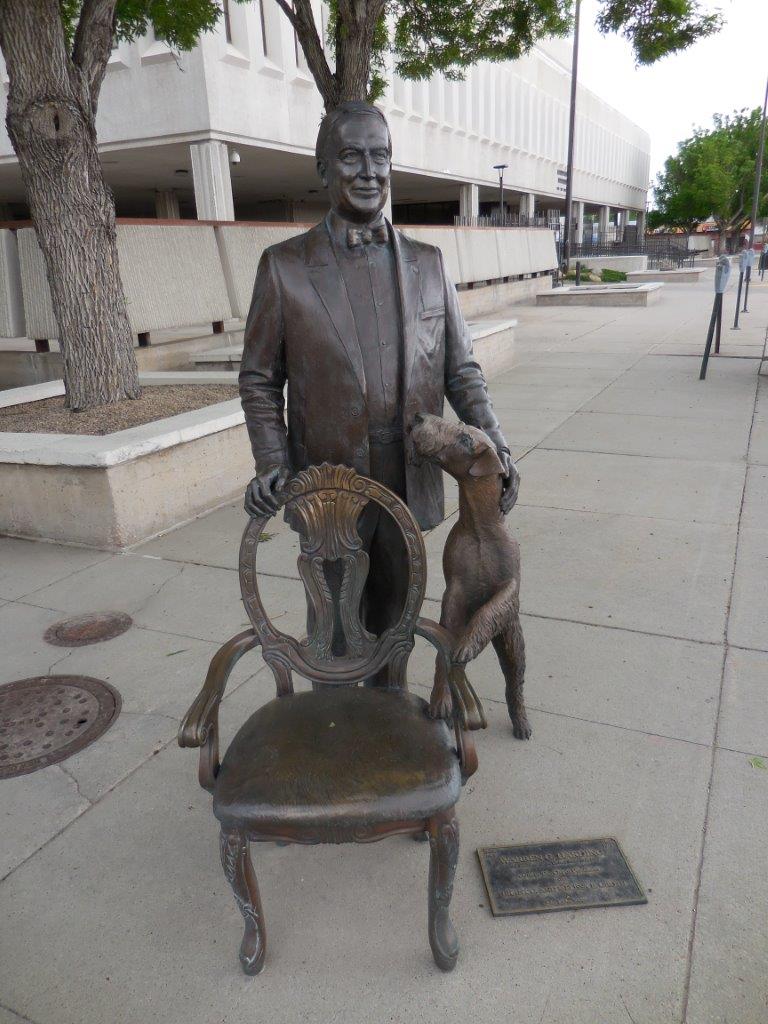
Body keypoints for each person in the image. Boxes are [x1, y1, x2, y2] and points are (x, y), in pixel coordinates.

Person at [239, 101, 518, 676]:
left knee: (398, 614)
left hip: (407, 475)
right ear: (323, 169)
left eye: (380, 156)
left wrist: (495, 444)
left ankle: (392, 716)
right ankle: (336, 727)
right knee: (333, 618)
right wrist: (271, 459)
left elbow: (461, 371)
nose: (369, 171)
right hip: (327, 479)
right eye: (351, 157)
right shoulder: (283, 267)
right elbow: (260, 379)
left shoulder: (429, 264)